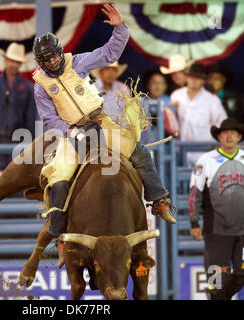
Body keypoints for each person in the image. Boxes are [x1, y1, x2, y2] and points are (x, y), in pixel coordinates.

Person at [32, 3, 176, 237]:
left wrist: (119, 28)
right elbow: (48, 118)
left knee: (139, 153)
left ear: (60, 52)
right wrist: (70, 130)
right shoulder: (41, 87)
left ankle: (159, 200)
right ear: (40, 61)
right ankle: (58, 234)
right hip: (73, 132)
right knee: (59, 179)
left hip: (101, 122)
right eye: (45, 60)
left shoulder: (76, 63)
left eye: (53, 56)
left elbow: (109, 53)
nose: (51, 62)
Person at [188, 118, 244, 300]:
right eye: (225, 132)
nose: (229, 136)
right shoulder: (206, 160)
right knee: (216, 281)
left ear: (239, 136)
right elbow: (194, 193)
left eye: (233, 132)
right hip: (215, 231)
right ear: (219, 136)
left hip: (243, 229)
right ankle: (218, 296)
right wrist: (194, 222)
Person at [0, 42, 37, 171]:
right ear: (5, 61)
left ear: (20, 65)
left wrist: (29, 145)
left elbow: (31, 119)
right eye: (11, 60)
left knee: (16, 181)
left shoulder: (28, 87)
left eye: (16, 62)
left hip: (19, 141)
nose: (13, 64)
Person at [170, 63, 227, 166]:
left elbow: (222, 124)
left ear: (204, 80)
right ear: (187, 77)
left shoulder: (212, 100)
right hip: (180, 151)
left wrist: (218, 145)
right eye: (191, 76)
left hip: (204, 151)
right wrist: (172, 109)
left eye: (198, 77)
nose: (194, 80)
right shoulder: (176, 96)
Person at [206, 64, 244, 136]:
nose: (212, 81)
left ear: (224, 80)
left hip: (234, 140)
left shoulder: (236, 98)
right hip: (209, 140)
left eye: (216, 78)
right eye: (209, 78)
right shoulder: (203, 99)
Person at [142, 69, 179, 142]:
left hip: (166, 145)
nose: (158, 86)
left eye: (161, 83)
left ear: (165, 86)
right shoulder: (140, 102)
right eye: (154, 82)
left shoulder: (170, 102)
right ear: (148, 85)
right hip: (145, 145)